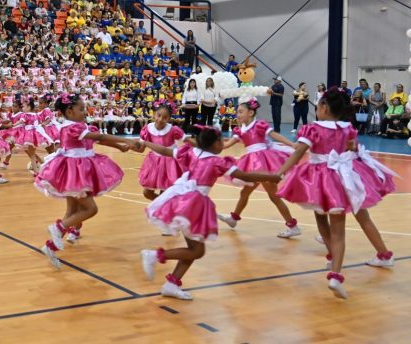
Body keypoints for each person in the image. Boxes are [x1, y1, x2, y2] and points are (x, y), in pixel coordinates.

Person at [276, 88, 396, 298]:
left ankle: (335, 271)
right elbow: (353, 149)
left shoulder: (312, 129)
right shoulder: (348, 128)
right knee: (361, 217)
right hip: (349, 177)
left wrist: (280, 172)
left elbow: (298, 154)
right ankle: (383, 255)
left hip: (322, 181)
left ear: (323, 107)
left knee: (324, 220)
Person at [138, 126, 281, 300]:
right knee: (197, 251)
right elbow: (245, 176)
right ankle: (155, 255)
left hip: (182, 200)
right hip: (192, 204)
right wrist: (272, 177)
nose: (223, 143)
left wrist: (146, 143)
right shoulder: (217, 162)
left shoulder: (191, 153)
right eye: (220, 141)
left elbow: (166, 151)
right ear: (213, 144)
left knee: (194, 248)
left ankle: (172, 284)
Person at [36, 94, 130, 268]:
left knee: (72, 211)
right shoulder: (72, 128)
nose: (85, 111)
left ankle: (50, 246)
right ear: (70, 111)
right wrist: (125, 140)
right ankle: (58, 228)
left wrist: (120, 147)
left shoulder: (79, 126)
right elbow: (100, 137)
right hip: (75, 171)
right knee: (90, 209)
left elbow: (96, 139)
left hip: (80, 169)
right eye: (81, 108)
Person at [216, 99, 300, 238]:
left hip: (263, 163)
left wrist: (292, 144)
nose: (238, 114)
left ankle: (293, 225)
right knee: (245, 193)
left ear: (251, 113)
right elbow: (226, 145)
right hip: (251, 164)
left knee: (273, 196)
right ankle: (233, 219)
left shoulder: (259, 125)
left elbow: (275, 135)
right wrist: (209, 144)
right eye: (237, 112)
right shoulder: (240, 130)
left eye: (241, 111)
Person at [138, 105, 185, 206]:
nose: (160, 119)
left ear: (169, 119)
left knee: (165, 192)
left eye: (165, 117)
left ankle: (167, 208)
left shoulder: (173, 130)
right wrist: (128, 145)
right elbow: (141, 149)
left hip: (170, 164)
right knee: (147, 193)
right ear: (154, 115)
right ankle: (168, 205)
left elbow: (186, 142)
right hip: (154, 163)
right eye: (159, 115)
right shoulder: (147, 129)